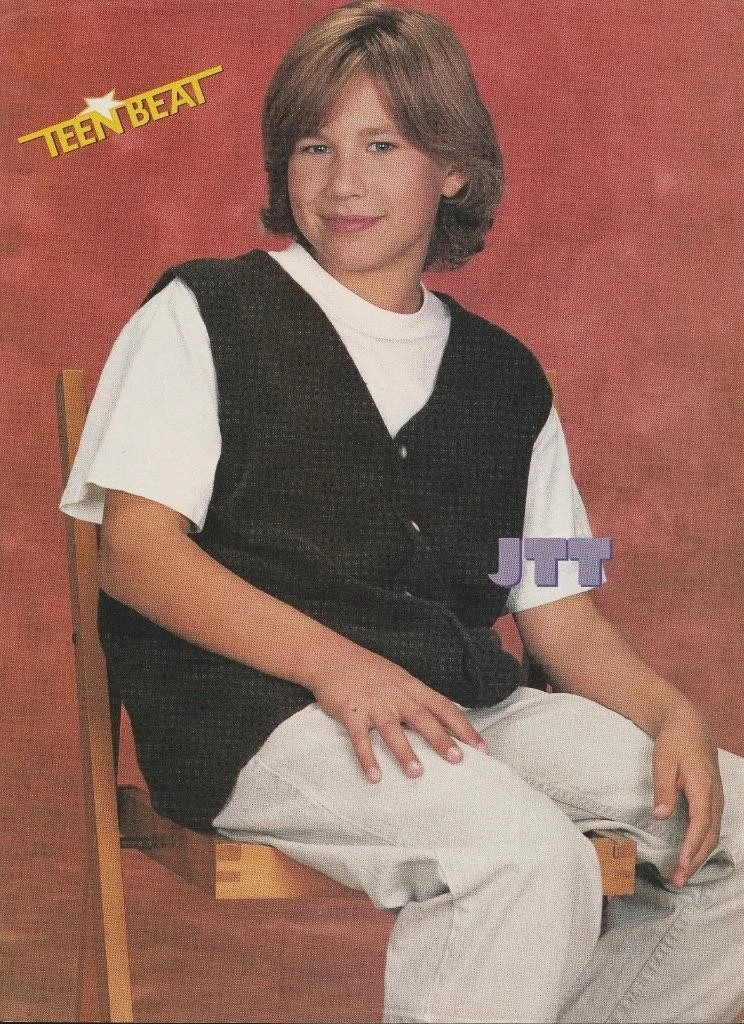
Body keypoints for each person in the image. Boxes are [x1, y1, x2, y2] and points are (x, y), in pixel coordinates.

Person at [61, 3, 743, 1021]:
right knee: (521, 854)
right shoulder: (200, 314)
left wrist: (671, 713)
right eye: (314, 146)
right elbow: (137, 554)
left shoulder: (511, 380)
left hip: (462, 707)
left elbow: (559, 609)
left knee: (739, 826)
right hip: (256, 714)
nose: (343, 182)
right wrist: (340, 667)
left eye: (383, 146)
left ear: (454, 168)